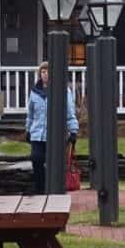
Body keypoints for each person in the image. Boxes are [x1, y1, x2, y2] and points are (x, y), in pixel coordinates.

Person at [25, 60, 79, 194]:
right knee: (36, 159)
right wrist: (28, 129)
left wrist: (73, 130)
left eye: (47, 71)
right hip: (37, 133)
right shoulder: (34, 92)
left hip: (54, 135)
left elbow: (69, 112)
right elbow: (30, 113)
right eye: (42, 71)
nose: (45, 74)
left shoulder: (63, 91)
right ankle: (40, 189)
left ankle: (54, 190)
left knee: (54, 164)